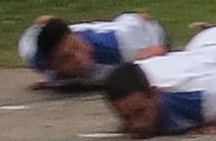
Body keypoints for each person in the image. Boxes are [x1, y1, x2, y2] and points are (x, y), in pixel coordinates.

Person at [20, 9, 171, 88]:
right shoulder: (33, 55)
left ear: (76, 36)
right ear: (49, 65)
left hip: (146, 34)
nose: (79, 59)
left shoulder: (120, 46)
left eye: (77, 47)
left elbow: (158, 51)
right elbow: (40, 22)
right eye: (66, 59)